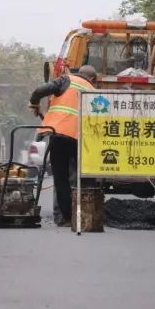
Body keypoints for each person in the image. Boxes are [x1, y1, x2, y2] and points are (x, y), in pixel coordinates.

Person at [29, 65, 98, 226]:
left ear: (79, 73)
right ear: (93, 78)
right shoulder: (93, 90)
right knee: (83, 178)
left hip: (58, 135)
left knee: (61, 179)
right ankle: (86, 213)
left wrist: (34, 104)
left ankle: (66, 217)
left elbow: (39, 91)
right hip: (81, 140)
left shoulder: (66, 80)